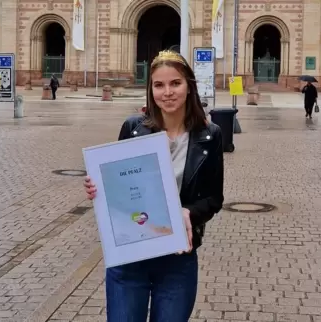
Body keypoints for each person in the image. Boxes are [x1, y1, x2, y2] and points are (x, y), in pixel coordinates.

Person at [83, 50, 224, 322]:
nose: (167, 92)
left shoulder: (210, 135)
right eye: (159, 85)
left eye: (175, 83)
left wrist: (188, 213)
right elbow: (119, 185)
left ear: (189, 86)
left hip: (177, 258)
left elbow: (213, 198)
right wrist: (98, 187)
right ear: (151, 89)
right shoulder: (133, 127)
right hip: (130, 256)